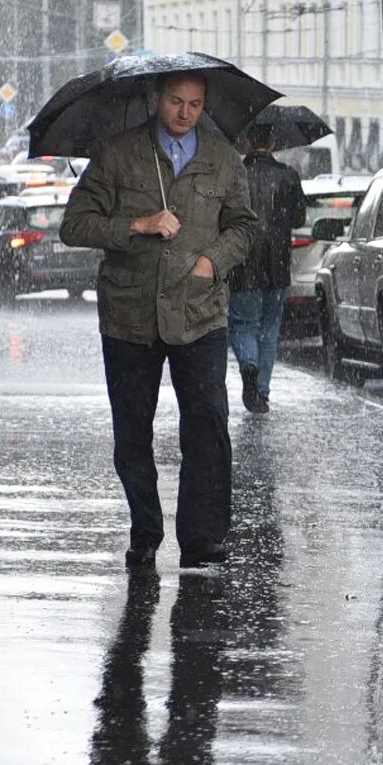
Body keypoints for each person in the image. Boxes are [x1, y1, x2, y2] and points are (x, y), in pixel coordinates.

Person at [60, 73, 258, 569]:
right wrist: (136, 225)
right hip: (131, 317)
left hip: (199, 312)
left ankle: (203, 538)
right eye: (176, 101)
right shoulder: (117, 153)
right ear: (156, 99)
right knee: (132, 432)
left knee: (208, 424)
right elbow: (74, 224)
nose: (185, 112)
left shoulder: (222, 157)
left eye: (195, 103)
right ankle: (145, 530)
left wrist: (214, 259)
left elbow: (244, 225)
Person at [228, 125, 306, 414]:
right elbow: (298, 218)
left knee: (242, 324)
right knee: (270, 329)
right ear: (273, 142)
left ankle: (248, 364)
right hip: (277, 262)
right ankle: (261, 391)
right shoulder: (287, 175)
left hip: (241, 261)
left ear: (248, 141)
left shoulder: (235, 174)